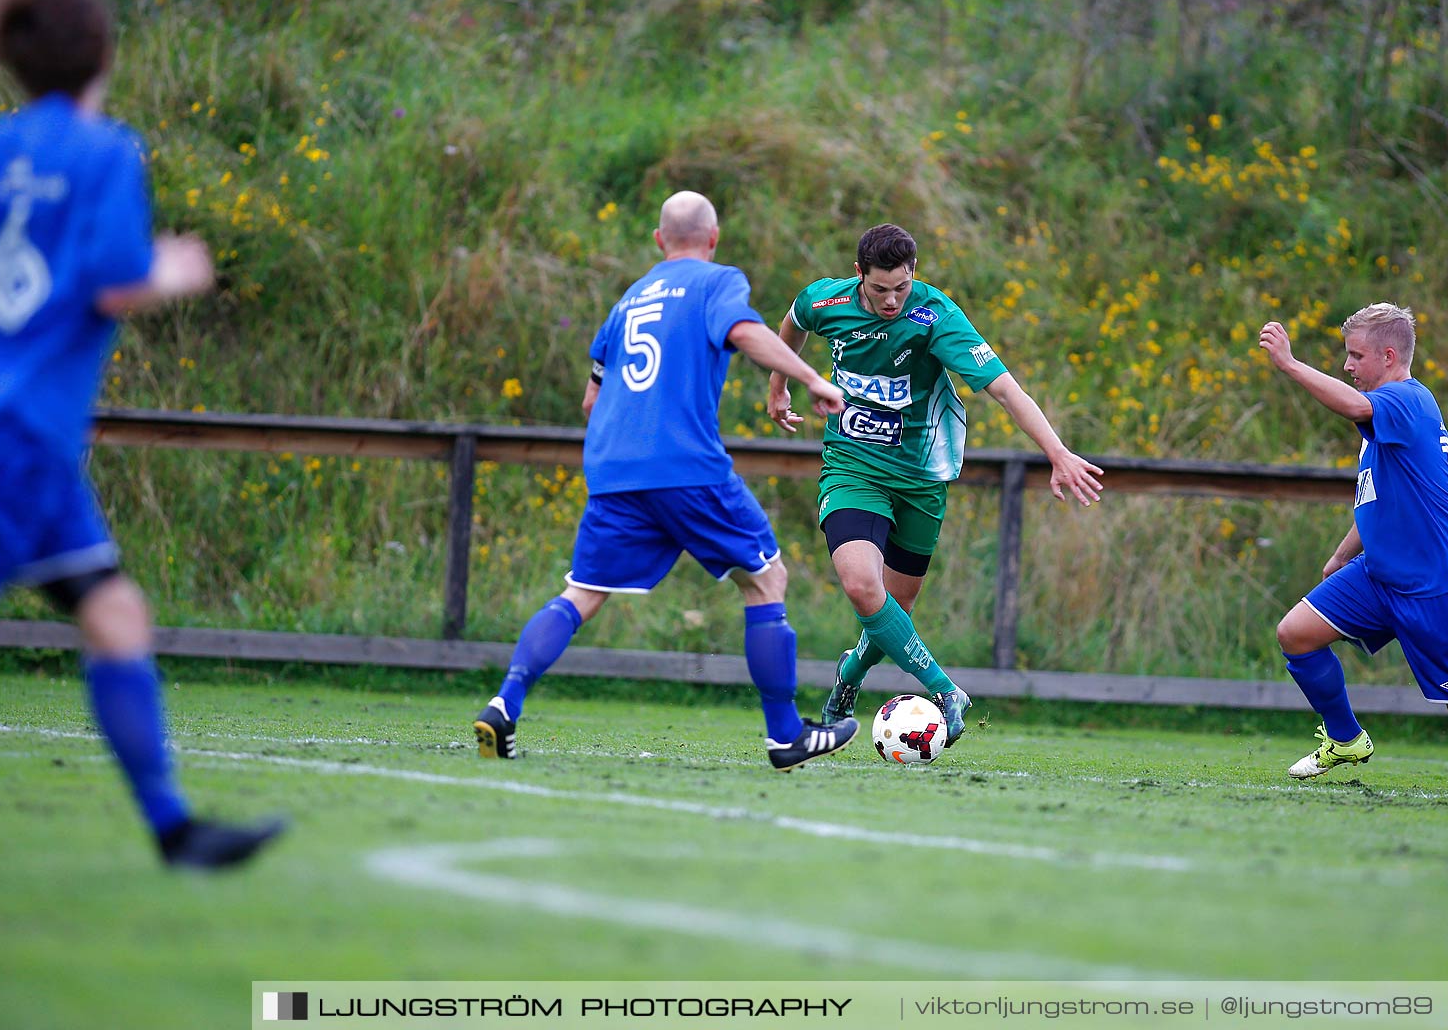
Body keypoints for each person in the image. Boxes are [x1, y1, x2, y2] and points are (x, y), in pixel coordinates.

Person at [0, 0, 286, 867]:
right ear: (103, 52)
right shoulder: (105, 153)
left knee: (114, 615)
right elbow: (112, 280)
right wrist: (172, 271)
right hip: (12, 438)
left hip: (3, 425)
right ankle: (174, 828)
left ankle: (176, 832)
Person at [473, 191, 860, 770]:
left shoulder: (627, 302)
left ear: (659, 240)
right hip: (685, 466)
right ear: (713, 237)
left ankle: (505, 702)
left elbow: (591, 399)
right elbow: (745, 332)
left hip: (613, 471)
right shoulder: (715, 281)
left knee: (582, 593)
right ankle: (786, 735)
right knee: (765, 578)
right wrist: (809, 376)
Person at [766, 223, 1104, 747]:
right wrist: (780, 385)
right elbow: (790, 325)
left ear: (913, 274)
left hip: (921, 482)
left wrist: (1056, 453)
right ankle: (945, 690)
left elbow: (1004, 389)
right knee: (861, 585)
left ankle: (849, 677)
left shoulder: (934, 315)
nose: (891, 300)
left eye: (900, 287)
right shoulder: (826, 299)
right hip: (852, 468)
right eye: (879, 289)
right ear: (859, 276)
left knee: (894, 611)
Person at [1258, 303, 1448, 796]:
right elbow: (1383, 498)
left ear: (1389, 355)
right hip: (1380, 573)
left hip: (1437, 582)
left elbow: (1355, 407)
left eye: (1356, 356)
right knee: (1295, 634)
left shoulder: (1407, 401)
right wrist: (1340, 557)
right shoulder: (1387, 418)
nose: (1348, 366)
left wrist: (1291, 365)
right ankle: (1346, 739)